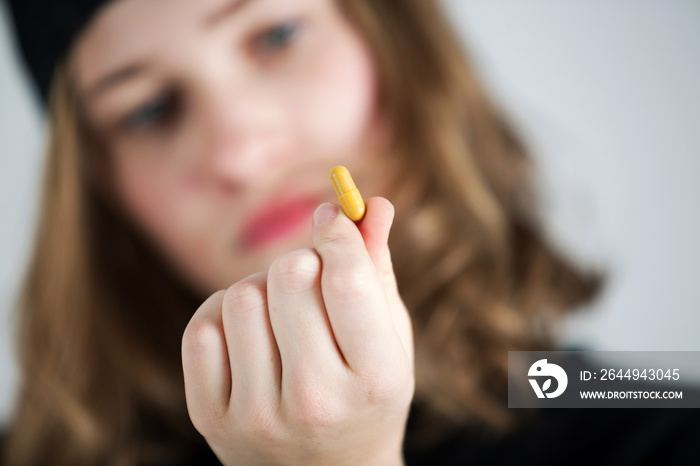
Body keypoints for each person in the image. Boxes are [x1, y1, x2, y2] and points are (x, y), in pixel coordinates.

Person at [1, 0, 698, 465]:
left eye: (276, 36)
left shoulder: (653, 403)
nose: (242, 154)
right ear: (99, 193)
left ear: (396, 45)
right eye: (149, 109)